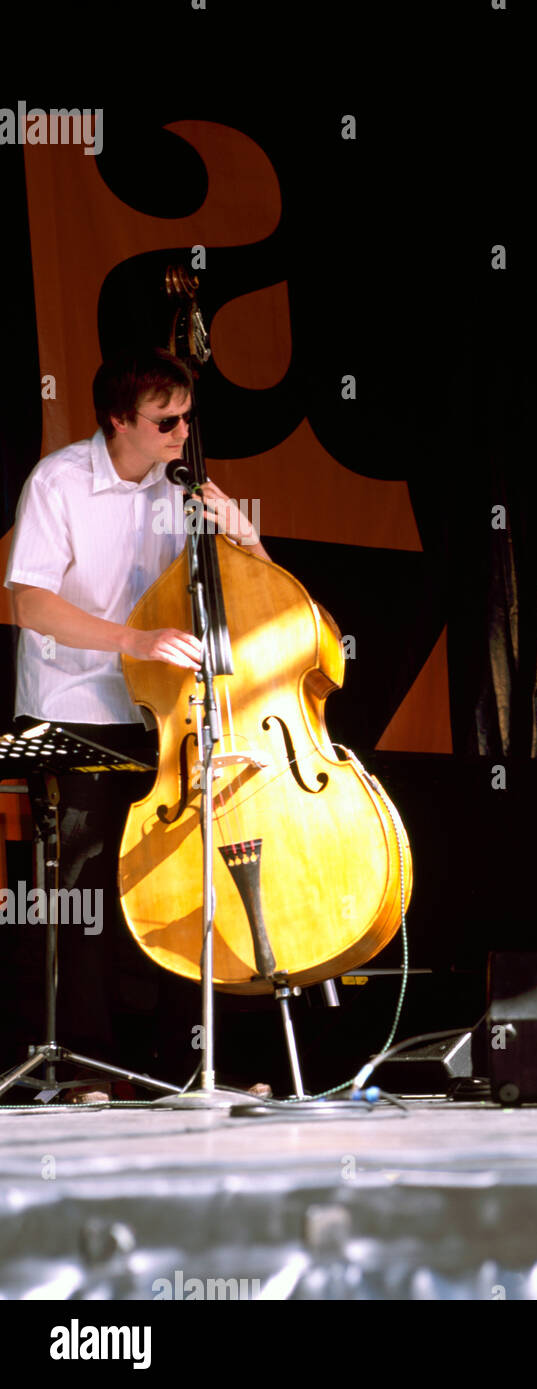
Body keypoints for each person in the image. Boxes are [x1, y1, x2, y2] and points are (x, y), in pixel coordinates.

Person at [3, 347, 266, 1095]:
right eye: (166, 421)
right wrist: (134, 639)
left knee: (181, 876)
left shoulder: (181, 487)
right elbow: (29, 602)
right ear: (120, 420)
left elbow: (257, 590)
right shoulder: (58, 481)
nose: (184, 432)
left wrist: (243, 536)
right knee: (85, 888)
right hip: (77, 709)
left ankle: (185, 1060)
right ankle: (88, 1060)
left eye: (188, 416)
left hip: (163, 715)